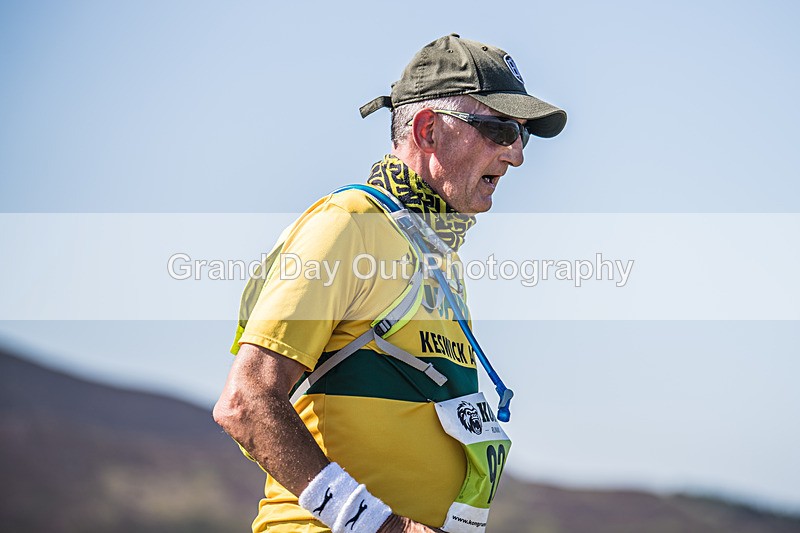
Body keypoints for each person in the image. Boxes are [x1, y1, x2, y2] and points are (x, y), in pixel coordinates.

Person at [214, 34, 566, 533]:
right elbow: (246, 401)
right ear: (427, 130)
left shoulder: (438, 253)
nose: (516, 156)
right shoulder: (350, 223)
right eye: (500, 129)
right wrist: (377, 525)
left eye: (522, 137)